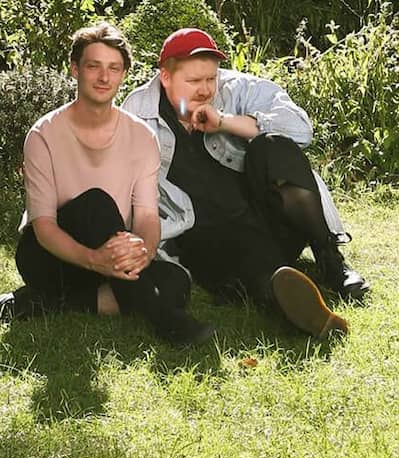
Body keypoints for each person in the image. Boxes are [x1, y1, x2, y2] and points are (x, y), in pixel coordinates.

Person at [121, 28, 369, 339]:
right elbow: (126, 185)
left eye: (210, 79)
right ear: (166, 77)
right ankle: (291, 301)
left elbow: (301, 130)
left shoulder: (236, 87)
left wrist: (224, 121)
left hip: (268, 215)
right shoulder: (138, 112)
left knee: (274, 145)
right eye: (194, 81)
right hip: (209, 237)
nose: (205, 89)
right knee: (255, 266)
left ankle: (330, 262)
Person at [0, 22, 215, 346]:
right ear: (75, 69)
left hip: (110, 261)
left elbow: (147, 217)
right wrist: (96, 260)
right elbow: (45, 227)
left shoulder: (140, 137)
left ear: (123, 74)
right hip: (51, 258)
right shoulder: (43, 135)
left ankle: (45, 304)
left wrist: (144, 255)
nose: (104, 77)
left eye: (114, 68)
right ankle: (169, 322)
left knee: (176, 280)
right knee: (95, 203)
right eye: (94, 66)